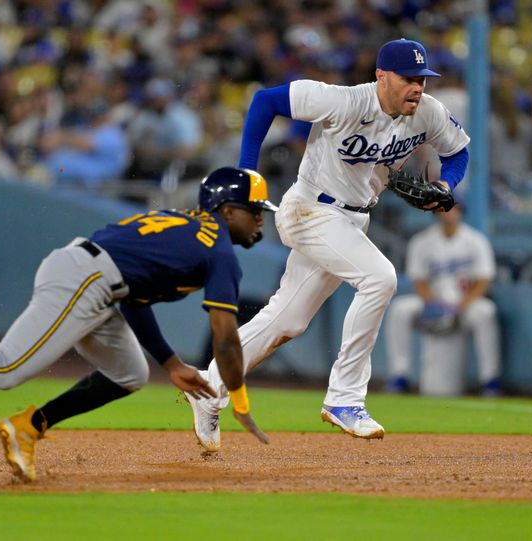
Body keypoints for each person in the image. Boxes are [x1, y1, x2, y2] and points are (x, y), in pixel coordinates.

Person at [0, 166, 276, 482]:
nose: (260, 220)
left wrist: (170, 362)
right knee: (4, 370)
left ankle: (28, 427)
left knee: (131, 374)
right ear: (228, 209)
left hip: (98, 279)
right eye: (255, 209)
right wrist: (236, 398)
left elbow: (137, 299)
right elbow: (225, 340)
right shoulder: (219, 252)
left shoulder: (187, 228)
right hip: (88, 278)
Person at [185, 38, 471, 451]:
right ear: (381, 76)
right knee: (380, 278)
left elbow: (459, 152)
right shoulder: (343, 101)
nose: (418, 87)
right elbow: (265, 101)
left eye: (422, 79)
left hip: (354, 219)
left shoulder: (427, 112)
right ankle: (345, 399)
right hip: (310, 211)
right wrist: (247, 171)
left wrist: (446, 185)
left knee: (287, 321)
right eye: (408, 78)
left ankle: (208, 389)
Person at [384, 204, 501, 396]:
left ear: (461, 211)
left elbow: (483, 280)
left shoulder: (476, 240)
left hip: (466, 303)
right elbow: (419, 281)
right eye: (444, 208)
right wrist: (434, 304)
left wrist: (463, 304)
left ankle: (490, 379)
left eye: (453, 208)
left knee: (486, 312)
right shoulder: (422, 241)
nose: (448, 212)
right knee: (400, 309)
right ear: (436, 212)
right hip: (433, 303)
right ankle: (400, 375)